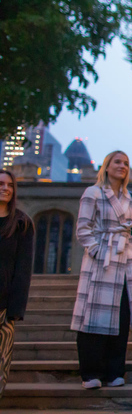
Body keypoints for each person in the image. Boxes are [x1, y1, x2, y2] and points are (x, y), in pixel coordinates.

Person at [71, 151, 132, 389]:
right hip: (101, 258)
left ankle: (114, 371)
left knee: (121, 314)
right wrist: (96, 250)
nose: (122, 166)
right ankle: (91, 372)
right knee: (93, 313)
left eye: (126, 163)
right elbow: (83, 228)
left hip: (125, 258)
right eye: (118, 162)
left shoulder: (130, 196)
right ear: (107, 166)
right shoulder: (93, 192)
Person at [0, 169, 34, 398]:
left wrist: (15, 310)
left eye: (10, 185)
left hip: (3, 307)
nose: (5, 188)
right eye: (1, 184)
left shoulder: (22, 222)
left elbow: (23, 270)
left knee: (1, 367)